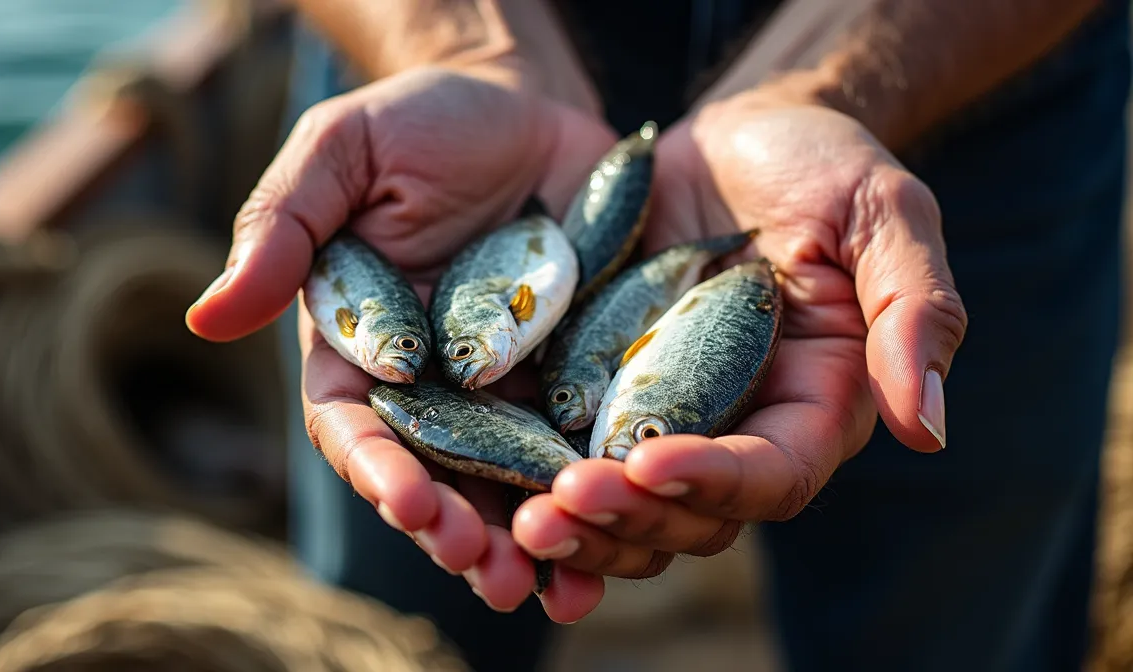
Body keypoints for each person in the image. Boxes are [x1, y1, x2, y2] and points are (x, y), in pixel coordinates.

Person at [185, 1, 1130, 669]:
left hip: (967, 66)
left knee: (953, 614)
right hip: (429, 88)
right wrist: (469, 43)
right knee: (399, 610)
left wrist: (820, 87)